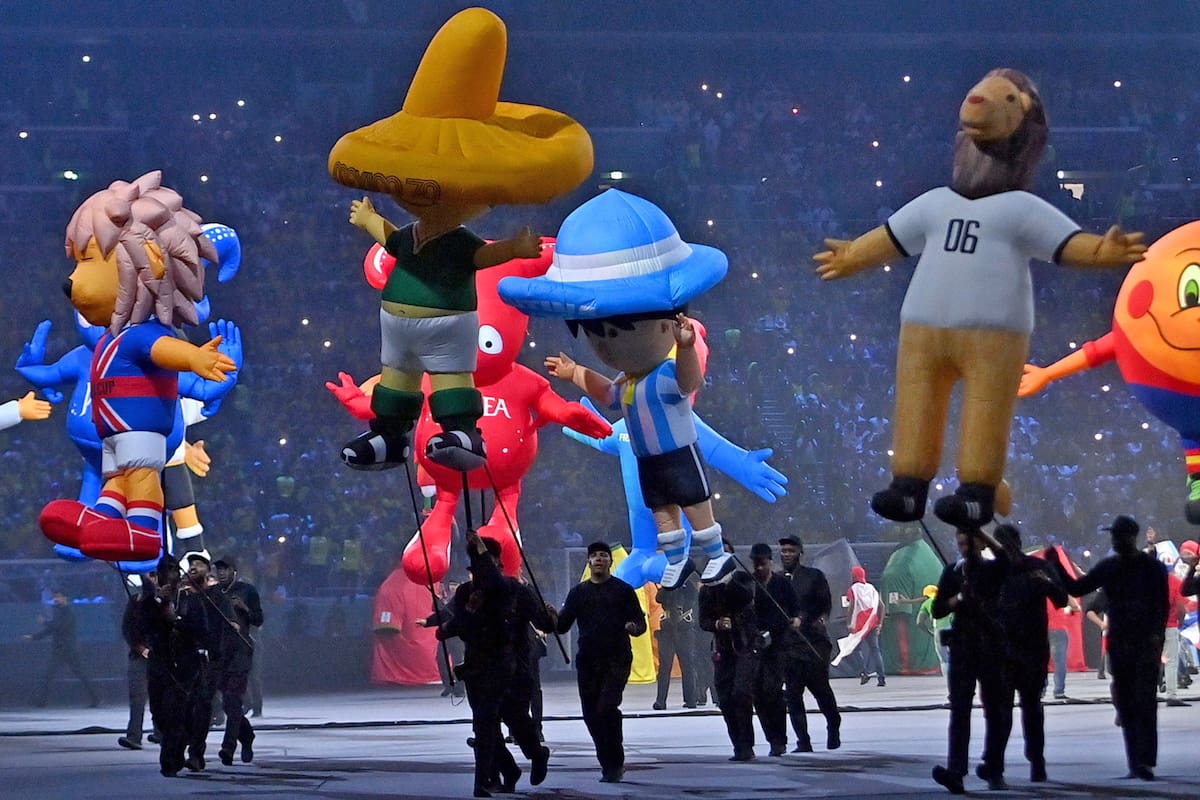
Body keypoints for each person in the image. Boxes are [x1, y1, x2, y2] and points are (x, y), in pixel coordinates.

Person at [1044, 515, 1169, 781]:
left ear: (1127, 537)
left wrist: (1056, 566)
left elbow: (1076, 586)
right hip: (1139, 642)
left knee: (1133, 703)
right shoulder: (1150, 567)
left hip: (1128, 642)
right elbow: (1161, 606)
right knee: (1138, 703)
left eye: (1115, 535)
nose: (1112, 539)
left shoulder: (1115, 567)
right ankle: (1141, 762)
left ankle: (1138, 762)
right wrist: (1157, 637)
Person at [438, 533, 550, 798]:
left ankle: (536, 753)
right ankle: (492, 776)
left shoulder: (512, 589)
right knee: (485, 726)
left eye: (487, 565)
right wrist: (448, 624)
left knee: (517, 721)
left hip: (512, 668)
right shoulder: (467, 592)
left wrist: (550, 618)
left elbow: (542, 620)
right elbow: (458, 625)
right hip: (479, 668)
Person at [549, 541, 647, 783]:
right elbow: (562, 627)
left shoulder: (623, 590)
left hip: (617, 658)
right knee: (591, 714)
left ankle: (615, 762)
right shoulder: (578, 593)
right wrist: (550, 616)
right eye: (595, 556)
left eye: (604, 555)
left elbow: (640, 622)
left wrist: (633, 627)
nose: (599, 559)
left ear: (610, 562)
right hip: (588, 661)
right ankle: (607, 761)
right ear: (589, 561)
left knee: (606, 708)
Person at [931, 527, 1012, 794]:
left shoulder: (991, 569)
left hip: (990, 646)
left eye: (969, 542)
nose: (964, 547)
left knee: (996, 711)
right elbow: (937, 607)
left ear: (979, 543)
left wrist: (983, 533)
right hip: (963, 646)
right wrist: (956, 600)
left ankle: (995, 769)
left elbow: (1006, 558)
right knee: (960, 712)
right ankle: (956, 771)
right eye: (961, 542)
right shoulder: (953, 571)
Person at [993, 524, 1068, 783]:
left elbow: (1061, 598)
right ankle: (1007, 764)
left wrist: (1047, 583)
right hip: (1009, 649)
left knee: (1024, 709)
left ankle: (1032, 762)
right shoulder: (996, 571)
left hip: (1027, 649)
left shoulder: (1031, 569)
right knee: (1016, 710)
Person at [137, 558, 208, 777]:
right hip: (159, 664)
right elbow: (141, 626)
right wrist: (159, 602)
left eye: (173, 572)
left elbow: (201, 630)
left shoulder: (191, 600)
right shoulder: (148, 602)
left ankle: (170, 760)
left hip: (184, 665)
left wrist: (176, 620)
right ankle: (177, 744)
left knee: (174, 711)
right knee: (159, 713)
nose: (169, 577)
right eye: (164, 573)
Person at [777, 535, 841, 752]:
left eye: (790, 551)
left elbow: (824, 604)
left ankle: (833, 726)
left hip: (813, 644)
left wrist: (804, 619)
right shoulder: (778, 581)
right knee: (793, 696)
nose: (786, 554)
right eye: (783, 551)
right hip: (789, 647)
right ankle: (803, 741)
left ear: (800, 553)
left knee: (822, 691)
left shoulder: (814, 576)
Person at [179, 551, 235, 773]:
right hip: (186, 657)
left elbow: (228, 620)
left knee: (202, 704)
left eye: (199, 564)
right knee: (185, 706)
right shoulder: (182, 596)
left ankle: (195, 754)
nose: (194, 567)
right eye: (191, 564)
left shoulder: (215, 595)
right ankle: (181, 748)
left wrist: (233, 624)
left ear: (207, 570)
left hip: (209, 659)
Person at [745, 542, 801, 757]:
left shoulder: (781, 584)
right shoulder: (750, 584)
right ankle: (771, 738)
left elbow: (795, 609)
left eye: (763, 563)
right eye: (756, 564)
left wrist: (796, 619)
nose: (759, 568)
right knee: (758, 695)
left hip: (778, 644)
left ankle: (780, 739)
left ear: (770, 562)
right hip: (755, 643)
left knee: (774, 692)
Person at [699, 567, 760, 761]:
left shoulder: (742, 580)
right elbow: (703, 620)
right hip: (722, 648)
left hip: (745, 646)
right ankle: (738, 745)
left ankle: (746, 745)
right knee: (725, 698)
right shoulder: (707, 589)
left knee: (741, 694)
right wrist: (717, 624)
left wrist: (728, 582)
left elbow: (747, 598)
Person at [213, 556, 263, 764]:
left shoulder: (246, 591)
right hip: (219, 654)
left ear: (234, 571)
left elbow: (259, 620)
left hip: (241, 652)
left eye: (225, 569)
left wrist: (245, 608)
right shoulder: (213, 594)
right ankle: (247, 736)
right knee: (228, 704)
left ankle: (228, 747)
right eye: (219, 569)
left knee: (234, 700)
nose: (221, 572)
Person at [24, 588, 100, 708]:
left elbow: (58, 627)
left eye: (58, 596)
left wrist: (44, 622)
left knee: (79, 674)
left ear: (65, 598)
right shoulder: (59, 612)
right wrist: (34, 637)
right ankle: (42, 701)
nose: (56, 599)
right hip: (61, 649)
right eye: (55, 597)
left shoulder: (68, 613)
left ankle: (95, 698)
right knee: (50, 675)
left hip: (68, 650)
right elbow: (51, 629)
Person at [653, 558, 700, 710]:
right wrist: (669, 586)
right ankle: (661, 700)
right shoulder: (667, 584)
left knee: (687, 665)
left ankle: (691, 699)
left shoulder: (689, 585)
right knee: (664, 666)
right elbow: (659, 598)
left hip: (684, 628)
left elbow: (693, 600)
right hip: (667, 629)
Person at [119, 573, 158, 749]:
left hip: (161, 656)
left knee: (161, 696)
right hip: (139, 655)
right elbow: (127, 628)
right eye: (150, 576)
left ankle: (162, 732)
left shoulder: (167, 601)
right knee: (137, 697)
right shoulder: (135, 602)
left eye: (156, 575)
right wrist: (139, 647)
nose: (152, 579)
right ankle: (134, 736)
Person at [832, 566, 887, 686]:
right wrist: (880, 623)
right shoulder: (871, 588)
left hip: (858, 626)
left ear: (854, 576)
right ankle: (881, 678)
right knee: (875, 650)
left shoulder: (853, 589)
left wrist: (849, 623)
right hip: (872, 623)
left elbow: (851, 607)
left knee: (854, 650)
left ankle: (864, 672)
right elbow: (881, 606)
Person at [916, 584, 951, 694]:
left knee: (945, 660)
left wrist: (929, 632)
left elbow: (919, 622)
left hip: (939, 631)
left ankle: (951, 688)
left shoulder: (927, 603)